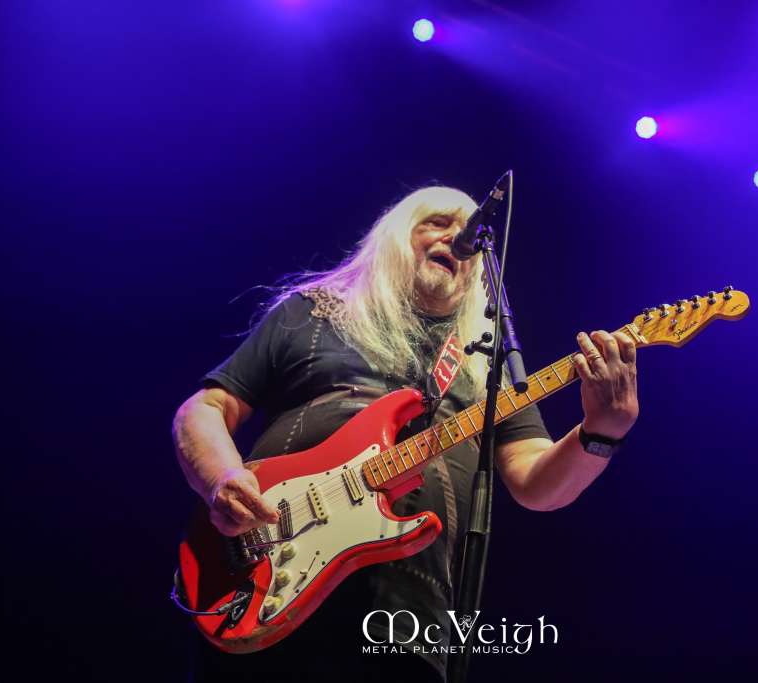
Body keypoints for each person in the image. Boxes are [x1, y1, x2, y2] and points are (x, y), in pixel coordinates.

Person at [172, 185, 640, 682]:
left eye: (471, 234)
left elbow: (536, 484)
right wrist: (221, 478)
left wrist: (602, 431)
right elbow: (206, 408)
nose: (458, 237)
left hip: (407, 615)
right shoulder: (314, 312)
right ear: (396, 234)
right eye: (437, 222)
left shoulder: (486, 365)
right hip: (265, 569)